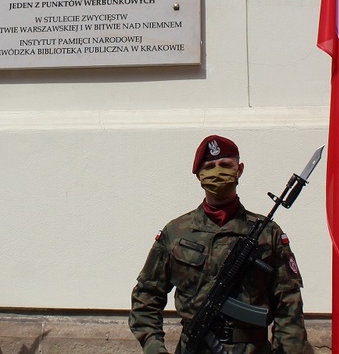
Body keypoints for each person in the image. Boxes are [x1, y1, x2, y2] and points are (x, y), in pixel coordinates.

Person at [129, 134, 307, 354]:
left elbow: (288, 304)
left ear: (239, 170)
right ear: (199, 175)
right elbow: (146, 296)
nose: (217, 172)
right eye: (210, 166)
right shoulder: (175, 232)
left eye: (225, 165)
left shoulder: (267, 233)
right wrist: (154, 347)